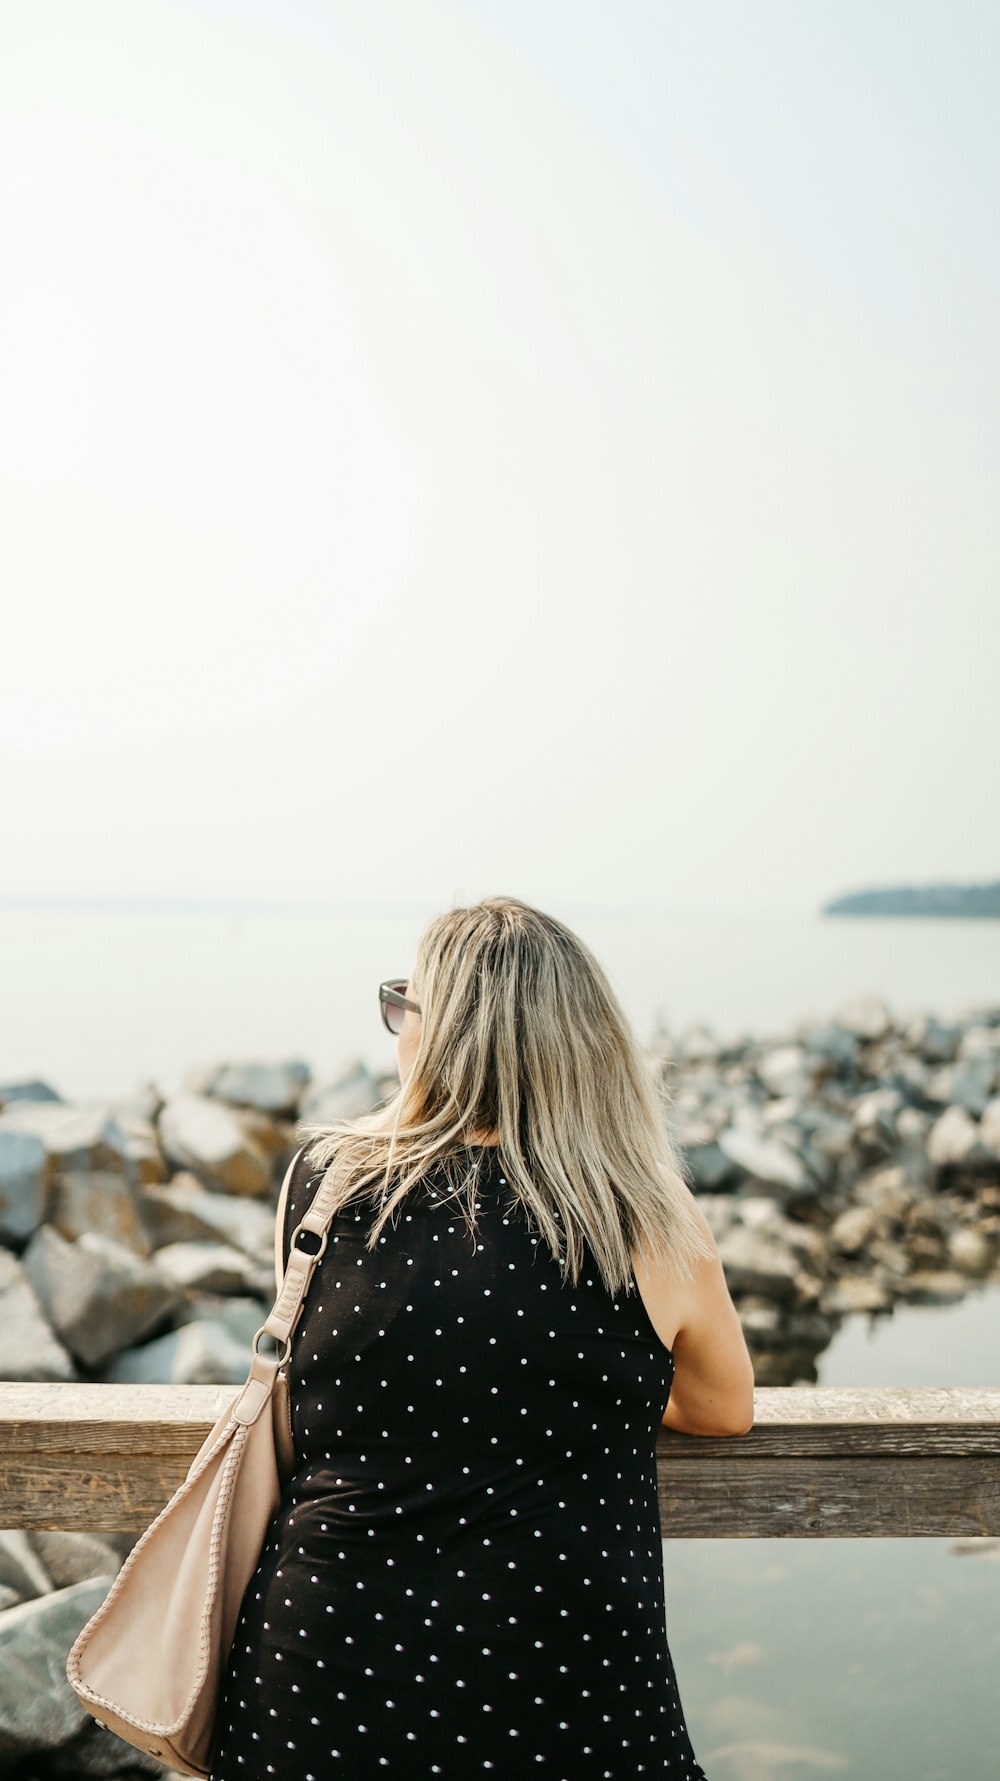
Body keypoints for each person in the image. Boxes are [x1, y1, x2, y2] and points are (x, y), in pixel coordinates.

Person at [208, 894, 754, 1780]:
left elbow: (311, 1384)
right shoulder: (647, 1216)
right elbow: (723, 1406)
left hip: (325, 1673)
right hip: (568, 1681)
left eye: (406, 1004)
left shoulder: (324, 1180)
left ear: (443, 1032)